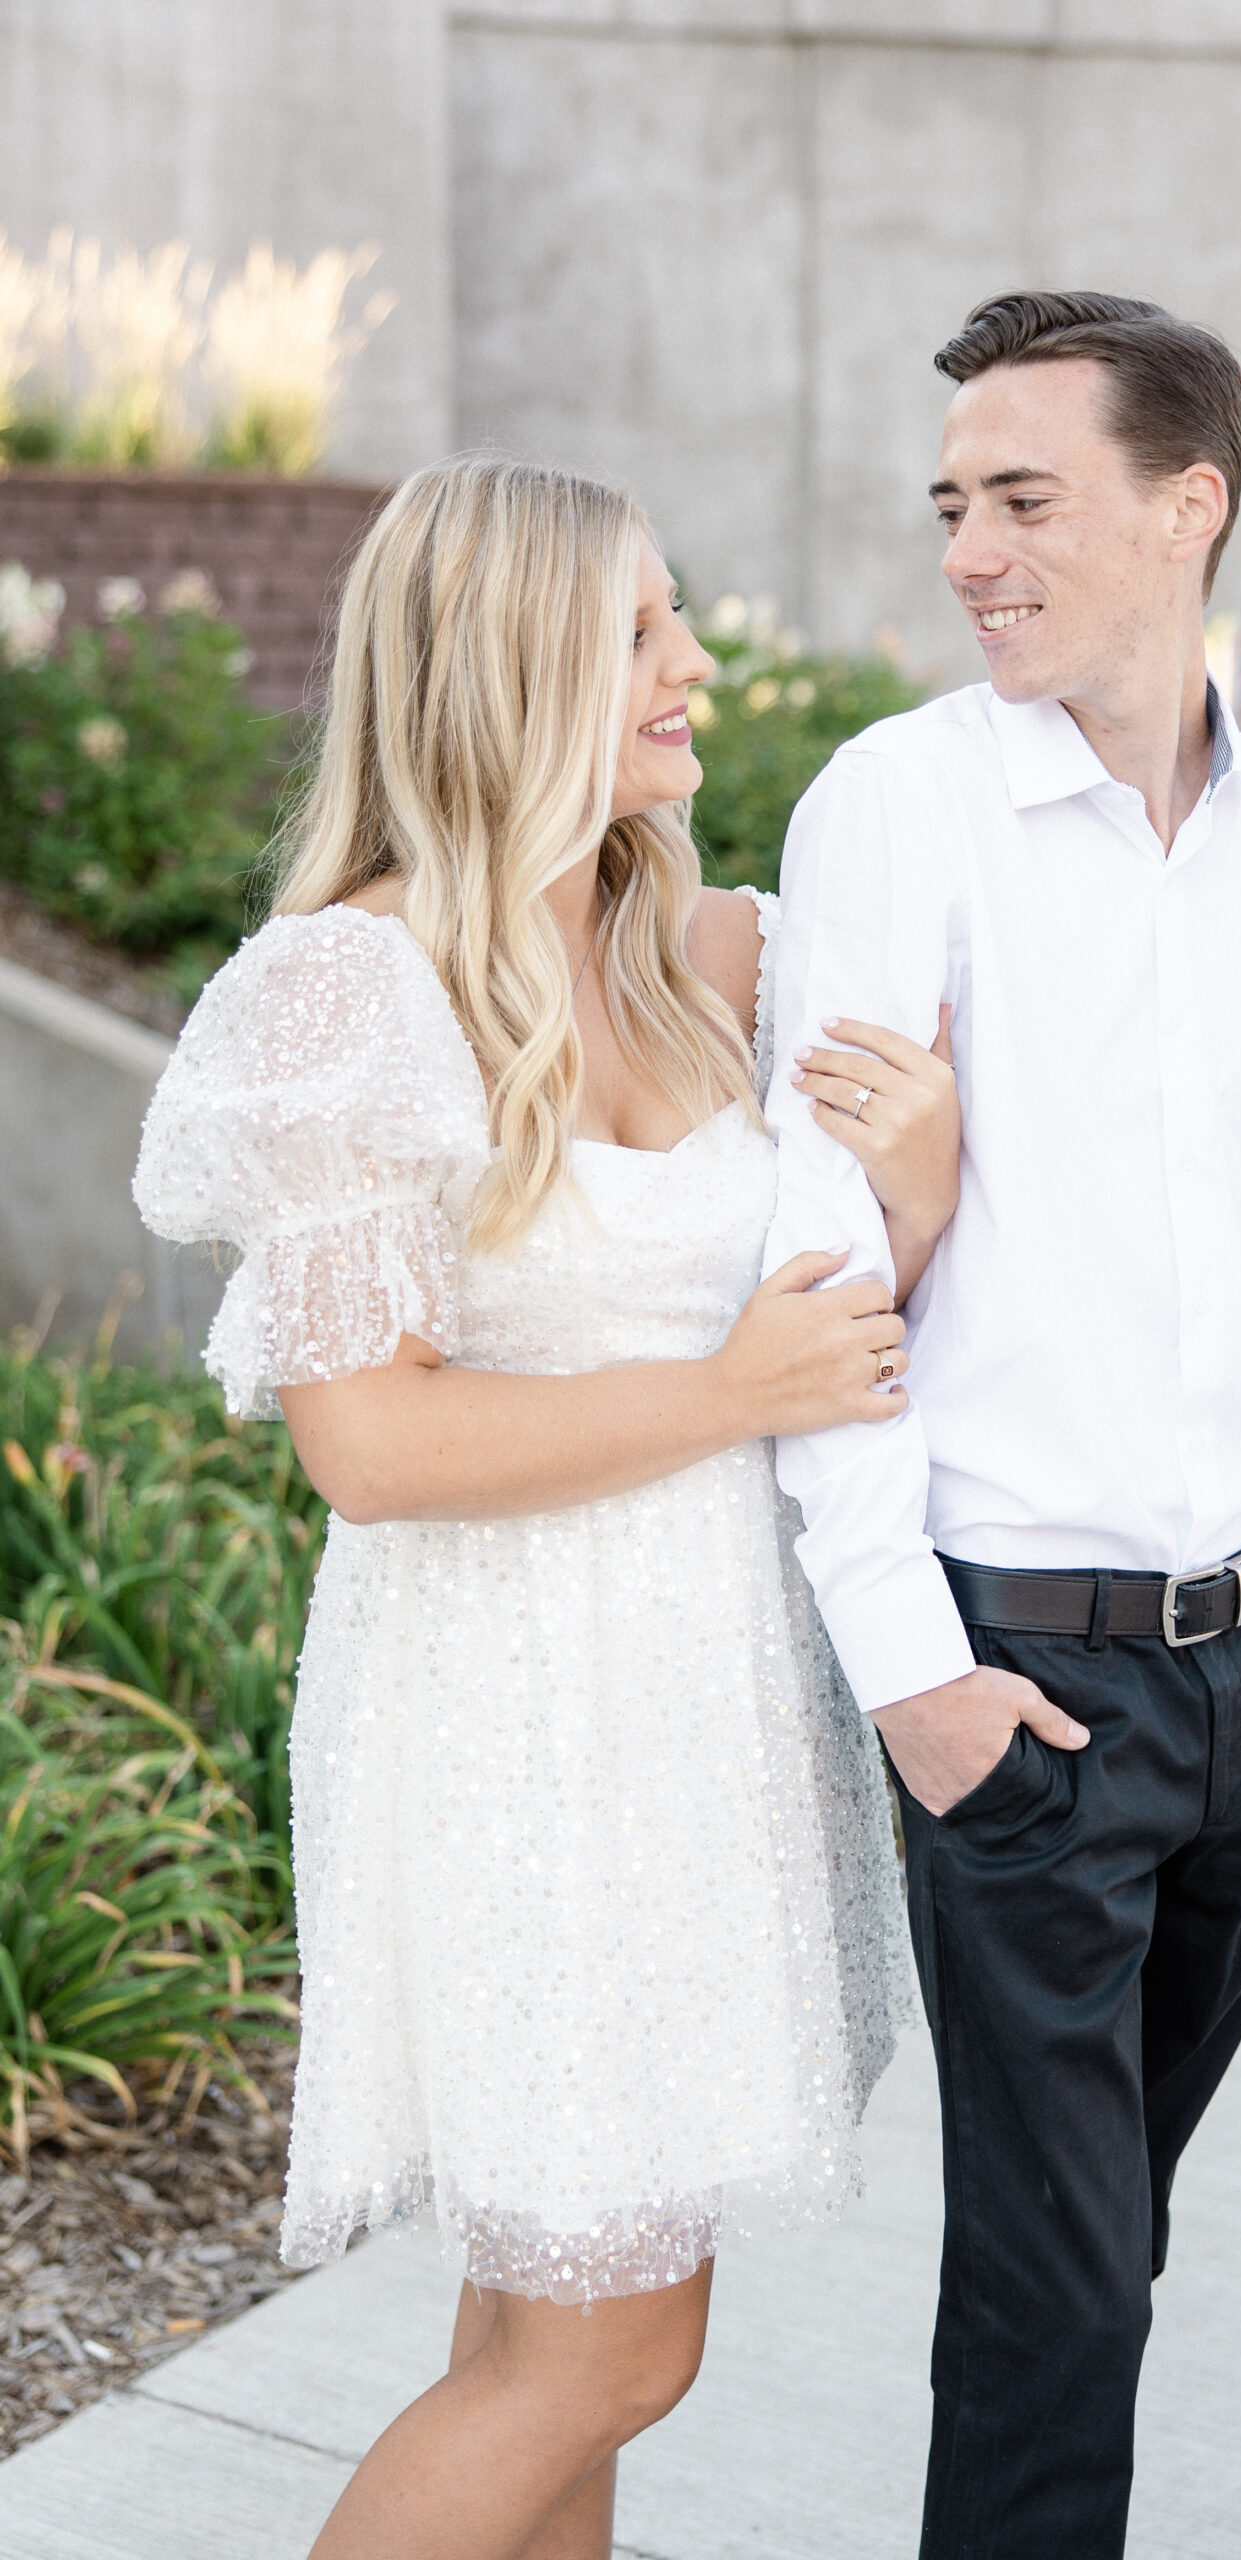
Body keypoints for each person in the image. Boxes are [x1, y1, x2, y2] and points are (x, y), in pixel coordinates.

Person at [133, 456, 963, 2560]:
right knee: (604, 2350)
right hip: (511, 1715)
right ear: (504, 668)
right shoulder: (351, 989)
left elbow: (834, 1342)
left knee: (555, 2339)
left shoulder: (702, 950)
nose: (694, 664)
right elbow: (371, 1443)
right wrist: (715, 1392)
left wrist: (922, 1200)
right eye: (640, 630)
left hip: (695, 1707)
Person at [765, 292, 1241, 2557]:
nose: (970, 548)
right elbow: (816, 1265)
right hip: (1017, 1676)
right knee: (1053, 2300)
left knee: (1102, 2256)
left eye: (1022, 498)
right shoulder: (894, 811)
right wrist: (913, 1680)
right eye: (951, 502)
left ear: (1187, 505)